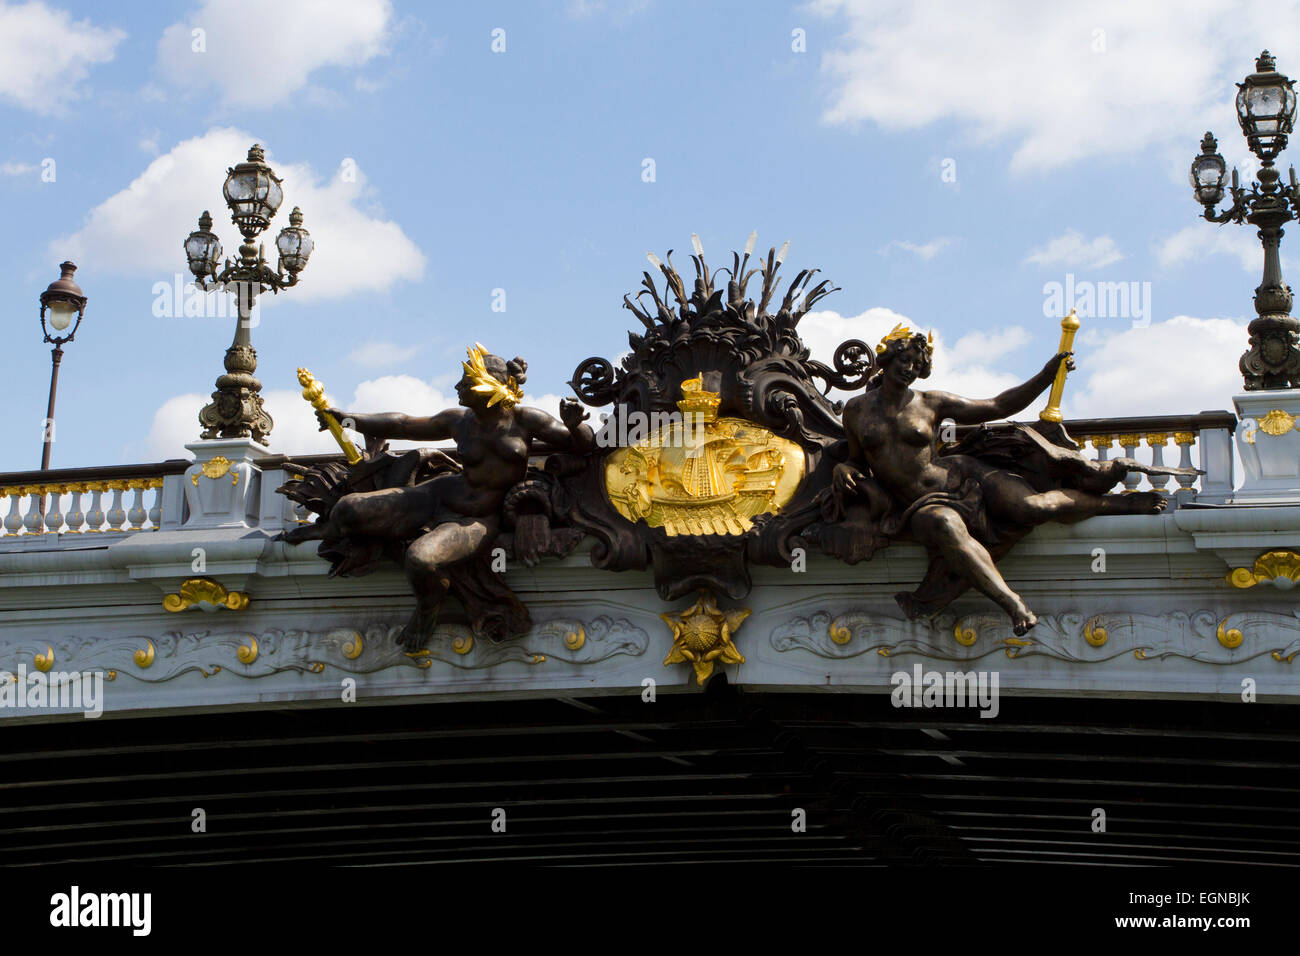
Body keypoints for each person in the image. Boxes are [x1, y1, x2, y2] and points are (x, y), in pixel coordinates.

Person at [834, 325, 1178, 635]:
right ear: (887, 358)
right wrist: (844, 468)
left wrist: (1046, 375)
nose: (909, 369)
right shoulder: (857, 410)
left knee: (1032, 507)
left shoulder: (930, 402)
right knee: (944, 526)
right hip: (919, 505)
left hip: (961, 475)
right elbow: (856, 459)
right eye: (903, 360)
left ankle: (1117, 503)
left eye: (915, 363)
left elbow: (997, 406)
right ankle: (1013, 603)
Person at [303, 344, 594, 647]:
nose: (457, 387)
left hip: (478, 518)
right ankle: (323, 527)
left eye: (465, 382)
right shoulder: (460, 420)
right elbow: (402, 424)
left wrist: (576, 426)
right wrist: (348, 419)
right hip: (439, 493)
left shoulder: (525, 420)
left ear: (486, 386)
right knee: (347, 509)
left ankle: (427, 611)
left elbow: (582, 445)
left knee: (421, 560)